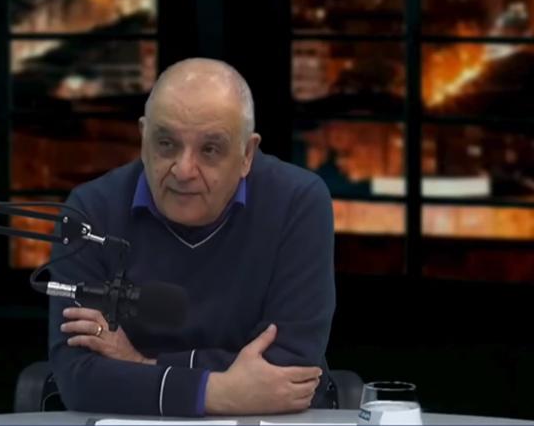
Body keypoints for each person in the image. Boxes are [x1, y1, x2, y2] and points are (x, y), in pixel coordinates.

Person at [47, 58, 336, 416]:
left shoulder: (298, 201)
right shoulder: (90, 210)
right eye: (166, 143)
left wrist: (141, 364)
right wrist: (217, 392)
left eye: (210, 149)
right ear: (143, 138)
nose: (184, 170)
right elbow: (79, 378)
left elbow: (290, 368)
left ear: (247, 154)